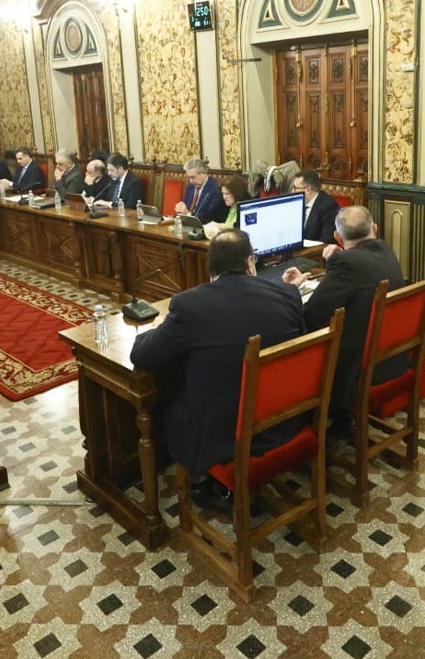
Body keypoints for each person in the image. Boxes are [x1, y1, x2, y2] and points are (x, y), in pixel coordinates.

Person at [130, 230, 306, 511]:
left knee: (165, 402)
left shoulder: (189, 305)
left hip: (225, 437)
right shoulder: (287, 293)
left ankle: (210, 482)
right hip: (285, 419)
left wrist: (153, 330)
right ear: (251, 261)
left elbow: (143, 356)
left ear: (209, 266)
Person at [283, 205, 408, 437]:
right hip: (393, 358)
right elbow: (358, 278)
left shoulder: (345, 264)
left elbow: (311, 315)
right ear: (376, 229)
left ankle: (319, 422)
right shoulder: (385, 249)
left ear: (338, 237)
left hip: (358, 372)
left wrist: (291, 289)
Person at [175, 157, 228, 224]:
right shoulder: (190, 187)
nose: (191, 181)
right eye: (189, 177)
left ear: (204, 173)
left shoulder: (215, 190)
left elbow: (209, 219)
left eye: (193, 177)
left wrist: (187, 214)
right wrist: (180, 209)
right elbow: (185, 207)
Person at [293, 170, 339, 245]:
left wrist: (302, 245)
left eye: (295, 188)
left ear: (308, 190)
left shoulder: (328, 206)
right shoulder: (297, 203)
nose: (293, 191)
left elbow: (327, 240)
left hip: (313, 253)